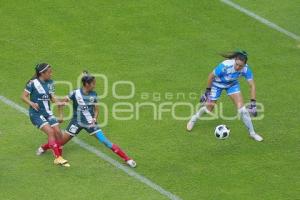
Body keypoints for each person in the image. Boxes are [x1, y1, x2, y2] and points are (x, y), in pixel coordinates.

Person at [50, 71, 137, 167]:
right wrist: (61, 116)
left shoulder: (94, 94)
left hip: (90, 124)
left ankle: (127, 159)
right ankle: (44, 148)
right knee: (61, 142)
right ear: (87, 84)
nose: (95, 85)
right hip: (76, 123)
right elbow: (60, 104)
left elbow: (96, 109)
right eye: (93, 83)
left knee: (105, 141)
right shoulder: (74, 93)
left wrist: (94, 118)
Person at [187, 51, 263, 142]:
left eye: (240, 66)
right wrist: (207, 92)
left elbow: (252, 85)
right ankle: (194, 118)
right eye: (237, 64)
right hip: (216, 84)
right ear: (235, 60)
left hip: (232, 85)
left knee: (243, 110)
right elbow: (211, 76)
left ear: (245, 64)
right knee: (208, 109)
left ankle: (252, 133)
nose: (238, 67)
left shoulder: (246, 70)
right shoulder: (225, 66)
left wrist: (253, 103)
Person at [21, 63, 70, 167]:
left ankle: (43, 147)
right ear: (42, 73)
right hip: (36, 114)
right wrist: (32, 103)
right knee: (51, 132)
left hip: (47, 112)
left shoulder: (50, 83)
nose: (51, 74)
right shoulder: (32, 83)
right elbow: (23, 96)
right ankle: (58, 158)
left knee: (59, 135)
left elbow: (52, 98)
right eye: (49, 72)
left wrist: (59, 103)